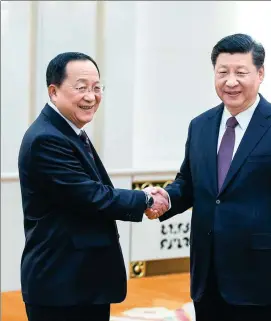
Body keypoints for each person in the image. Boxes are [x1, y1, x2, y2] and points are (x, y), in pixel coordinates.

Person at [149, 34, 271, 321]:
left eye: (241, 72)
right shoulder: (200, 125)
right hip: (207, 275)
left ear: (260, 73)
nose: (230, 81)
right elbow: (188, 183)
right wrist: (165, 197)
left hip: (262, 275)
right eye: (222, 72)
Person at [18, 52, 167, 321]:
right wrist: (144, 199)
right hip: (61, 286)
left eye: (97, 88)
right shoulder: (46, 139)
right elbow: (89, 196)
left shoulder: (68, 131)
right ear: (53, 91)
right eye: (81, 88)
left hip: (80, 283)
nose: (91, 96)